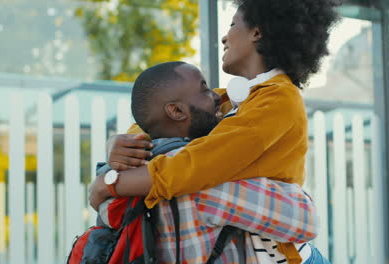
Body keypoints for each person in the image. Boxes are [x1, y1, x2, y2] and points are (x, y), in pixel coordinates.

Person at [90, 0, 339, 262]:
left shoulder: (278, 102)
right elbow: (161, 115)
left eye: (232, 25)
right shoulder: (238, 99)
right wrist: (122, 142)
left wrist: (110, 184)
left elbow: (198, 164)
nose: (224, 37)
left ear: (257, 32)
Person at [97, 61, 319, 263]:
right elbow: (305, 221)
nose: (216, 96)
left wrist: (106, 178)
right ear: (176, 110)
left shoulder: (123, 168)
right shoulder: (201, 181)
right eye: (204, 90)